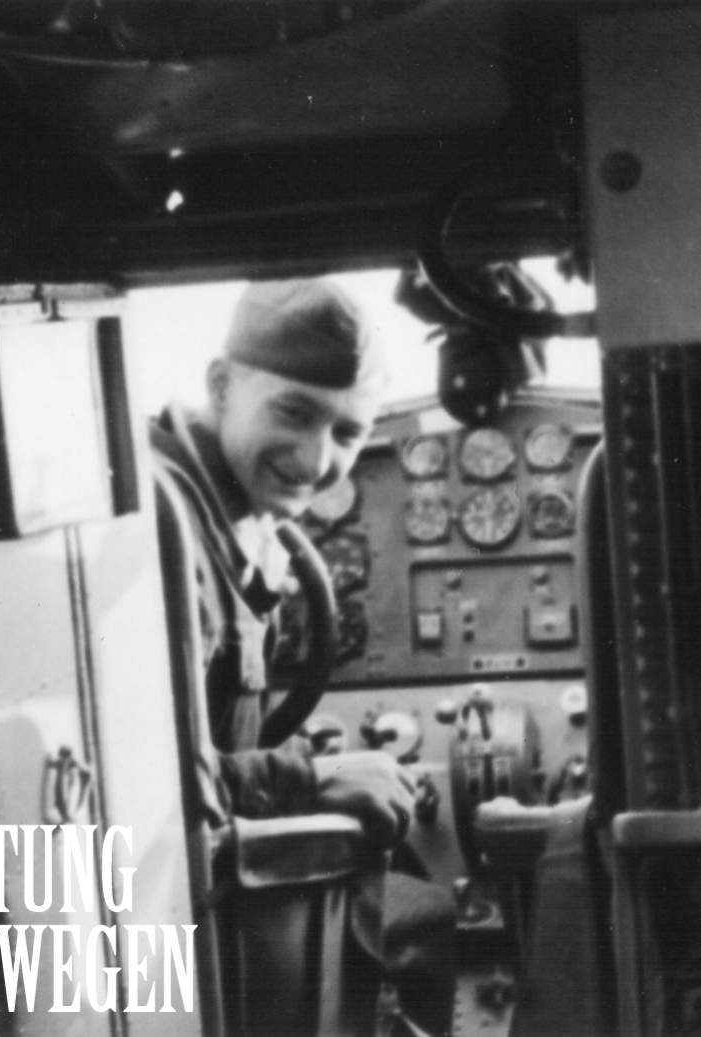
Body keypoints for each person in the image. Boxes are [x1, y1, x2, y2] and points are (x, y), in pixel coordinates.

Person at [150, 277, 453, 1035]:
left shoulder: (229, 513)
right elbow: (148, 796)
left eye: (348, 433)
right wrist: (313, 779)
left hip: (209, 879)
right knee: (429, 921)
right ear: (222, 386)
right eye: (294, 412)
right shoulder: (163, 522)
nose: (317, 461)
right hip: (172, 908)